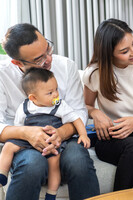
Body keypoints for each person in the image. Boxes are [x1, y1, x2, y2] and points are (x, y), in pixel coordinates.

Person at [0, 23, 100, 200]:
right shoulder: (2, 75)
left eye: (48, 49)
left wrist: (61, 133)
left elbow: (79, 111)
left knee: (78, 162)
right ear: (17, 62)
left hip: (65, 139)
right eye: (39, 59)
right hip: (24, 143)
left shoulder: (66, 66)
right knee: (32, 165)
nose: (48, 59)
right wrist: (26, 133)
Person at [83, 18, 133, 191]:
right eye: (124, 51)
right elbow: (85, 106)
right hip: (112, 136)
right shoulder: (94, 73)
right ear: (108, 53)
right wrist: (96, 113)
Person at [0, 68, 91, 200]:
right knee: (8, 146)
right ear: (33, 97)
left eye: (56, 89)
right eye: (50, 92)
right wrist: (22, 139)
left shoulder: (60, 105)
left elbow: (75, 118)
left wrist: (83, 134)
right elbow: (19, 126)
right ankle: (2, 173)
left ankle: (51, 193)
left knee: (54, 162)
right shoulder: (25, 107)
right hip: (29, 139)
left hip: (52, 141)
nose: (55, 94)